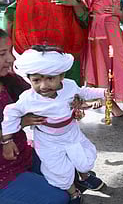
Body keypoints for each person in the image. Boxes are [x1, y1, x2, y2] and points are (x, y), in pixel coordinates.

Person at [2, 48, 109, 203]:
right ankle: (73, 193)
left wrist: (103, 92)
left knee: (82, 160)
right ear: (29, 79)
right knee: (60, 172)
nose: (44, 86)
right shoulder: (28, 98)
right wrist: (7, 139)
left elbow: (83, 92)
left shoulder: (70, 86)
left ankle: (85, 177)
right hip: (48, 141)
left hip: (71, 133)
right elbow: (10, 113)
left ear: (62, 76)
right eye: (36, 80)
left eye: (50, 78)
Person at [0, 31, 70, 204]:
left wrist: (72, 99)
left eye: (10, 51)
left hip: (22, 155)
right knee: (58, 199)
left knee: (71, 172)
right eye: (2, 54)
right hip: (3, 171)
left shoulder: (10, 80)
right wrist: (20, 122)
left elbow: (44, 95)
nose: (11, 59)